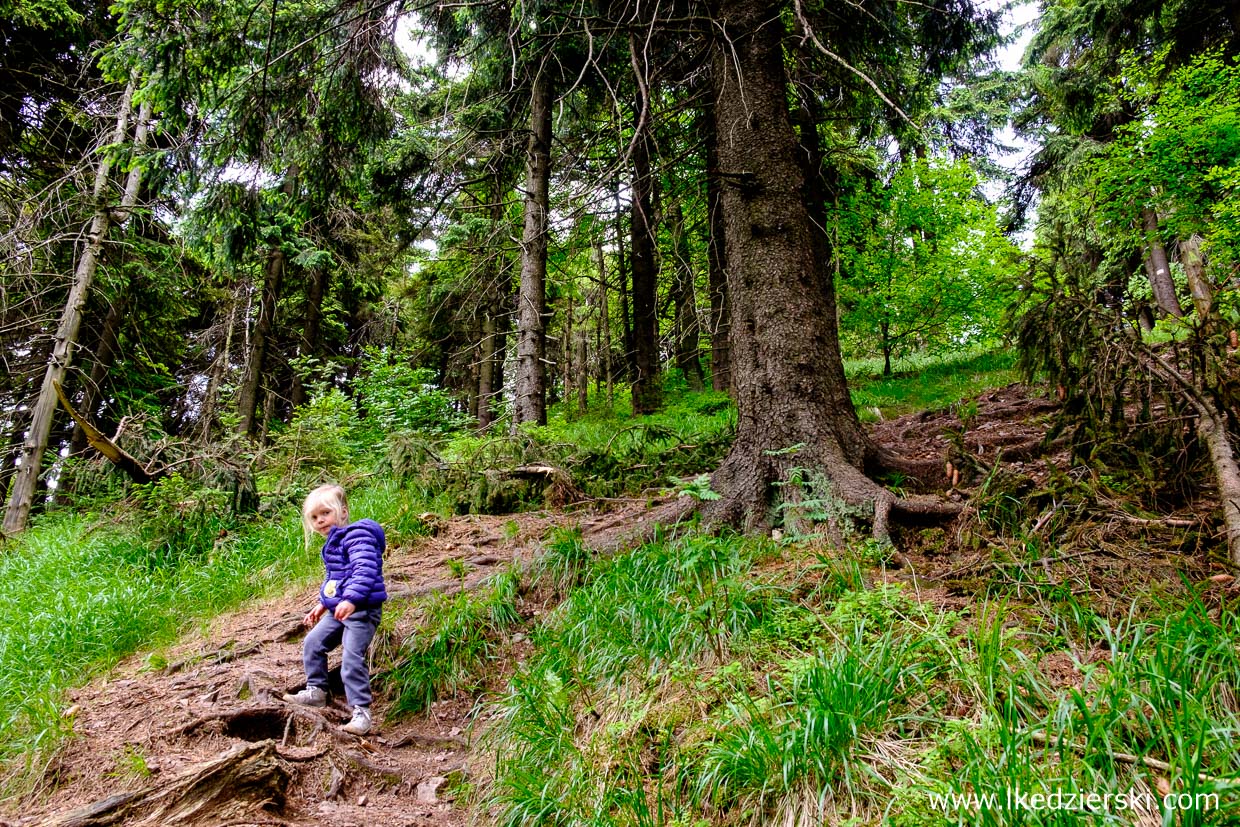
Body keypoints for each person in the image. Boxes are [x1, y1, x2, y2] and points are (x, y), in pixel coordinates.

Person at [283, 484, 387, 736]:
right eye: (314, 517)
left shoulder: (357, 536)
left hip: (361, 611)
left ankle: (361, 712)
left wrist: (351, 599)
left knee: (351, 660)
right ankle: (316, 691)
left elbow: (365, 570)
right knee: (313, 643)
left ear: (342, 511)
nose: (320, 521)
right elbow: (336, 580)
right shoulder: (334, 543)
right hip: (339, 610)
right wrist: (321, 605)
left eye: (325, 513)